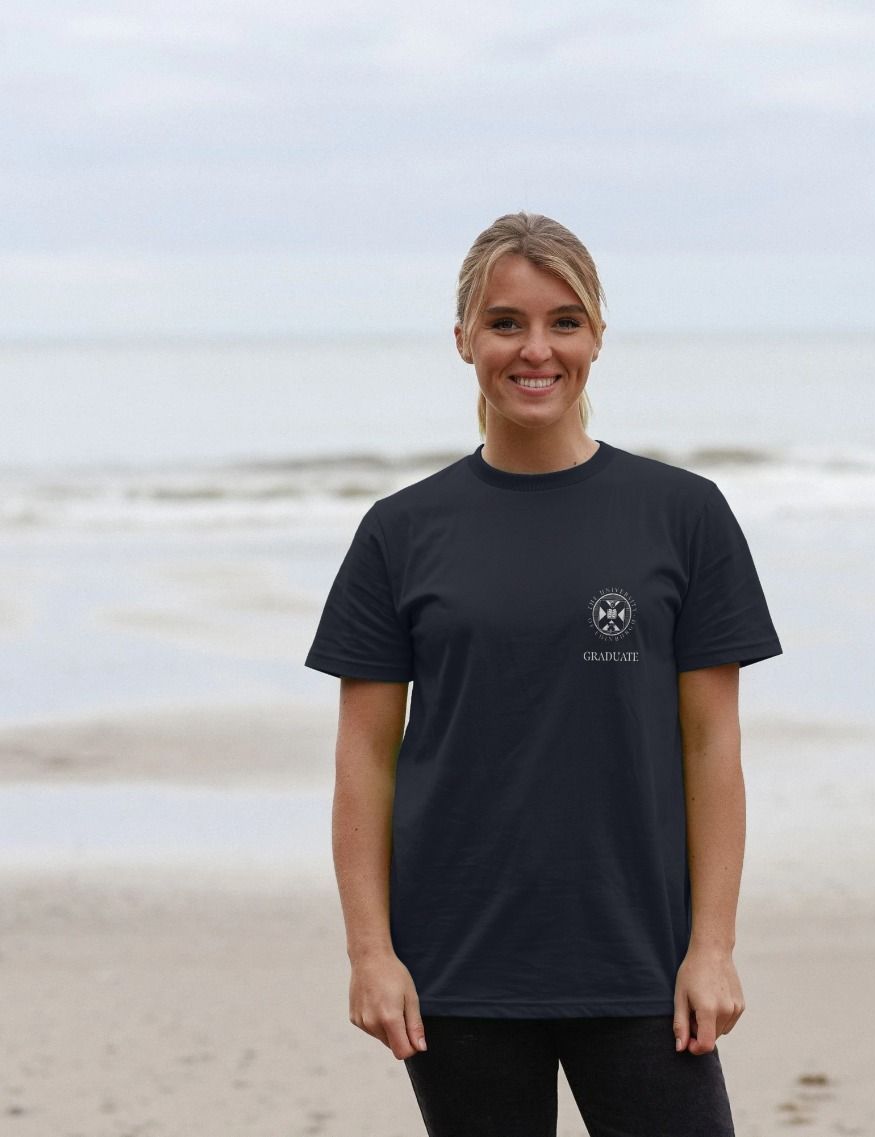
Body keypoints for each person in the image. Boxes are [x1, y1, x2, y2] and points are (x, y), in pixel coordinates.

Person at [304, 211, 783, 1136]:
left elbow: (711, 743)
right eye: (505, 322)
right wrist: (371, 952)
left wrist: (712, 947)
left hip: (643, 962)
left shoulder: (684, 515)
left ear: (598, 336)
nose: (536, 349)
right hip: (458, 967)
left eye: (564, 321)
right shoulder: (400, 532)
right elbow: (364, 760)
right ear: (463, 340)